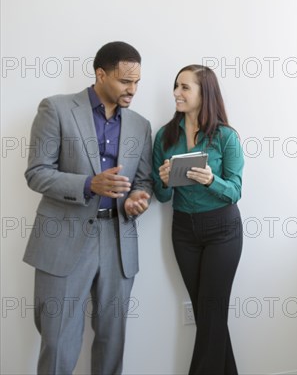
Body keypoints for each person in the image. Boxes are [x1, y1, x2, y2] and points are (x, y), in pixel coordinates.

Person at [23, 41, 153, 374]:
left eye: (137, 82)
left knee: (113, 339)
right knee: (58, 341)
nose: (133, 89)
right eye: (125, 81)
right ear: (100, 74)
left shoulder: (140, 125)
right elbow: (37, 173)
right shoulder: (56, 109)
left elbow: (143, 181)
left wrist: (139, 199)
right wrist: (87, 185)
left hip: (118, 238)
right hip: (64, 239)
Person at [152, 65, 244, 375]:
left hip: (223, 231)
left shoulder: (226, 137)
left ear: (204, 93)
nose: (176, 93)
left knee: (211, 314)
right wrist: (164, 180)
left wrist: (210, 180)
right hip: (184, 233)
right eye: (176, 86)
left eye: (184, 87)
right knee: (209, 317)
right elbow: (163, 197)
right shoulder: (165, 136)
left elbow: (234, 191)